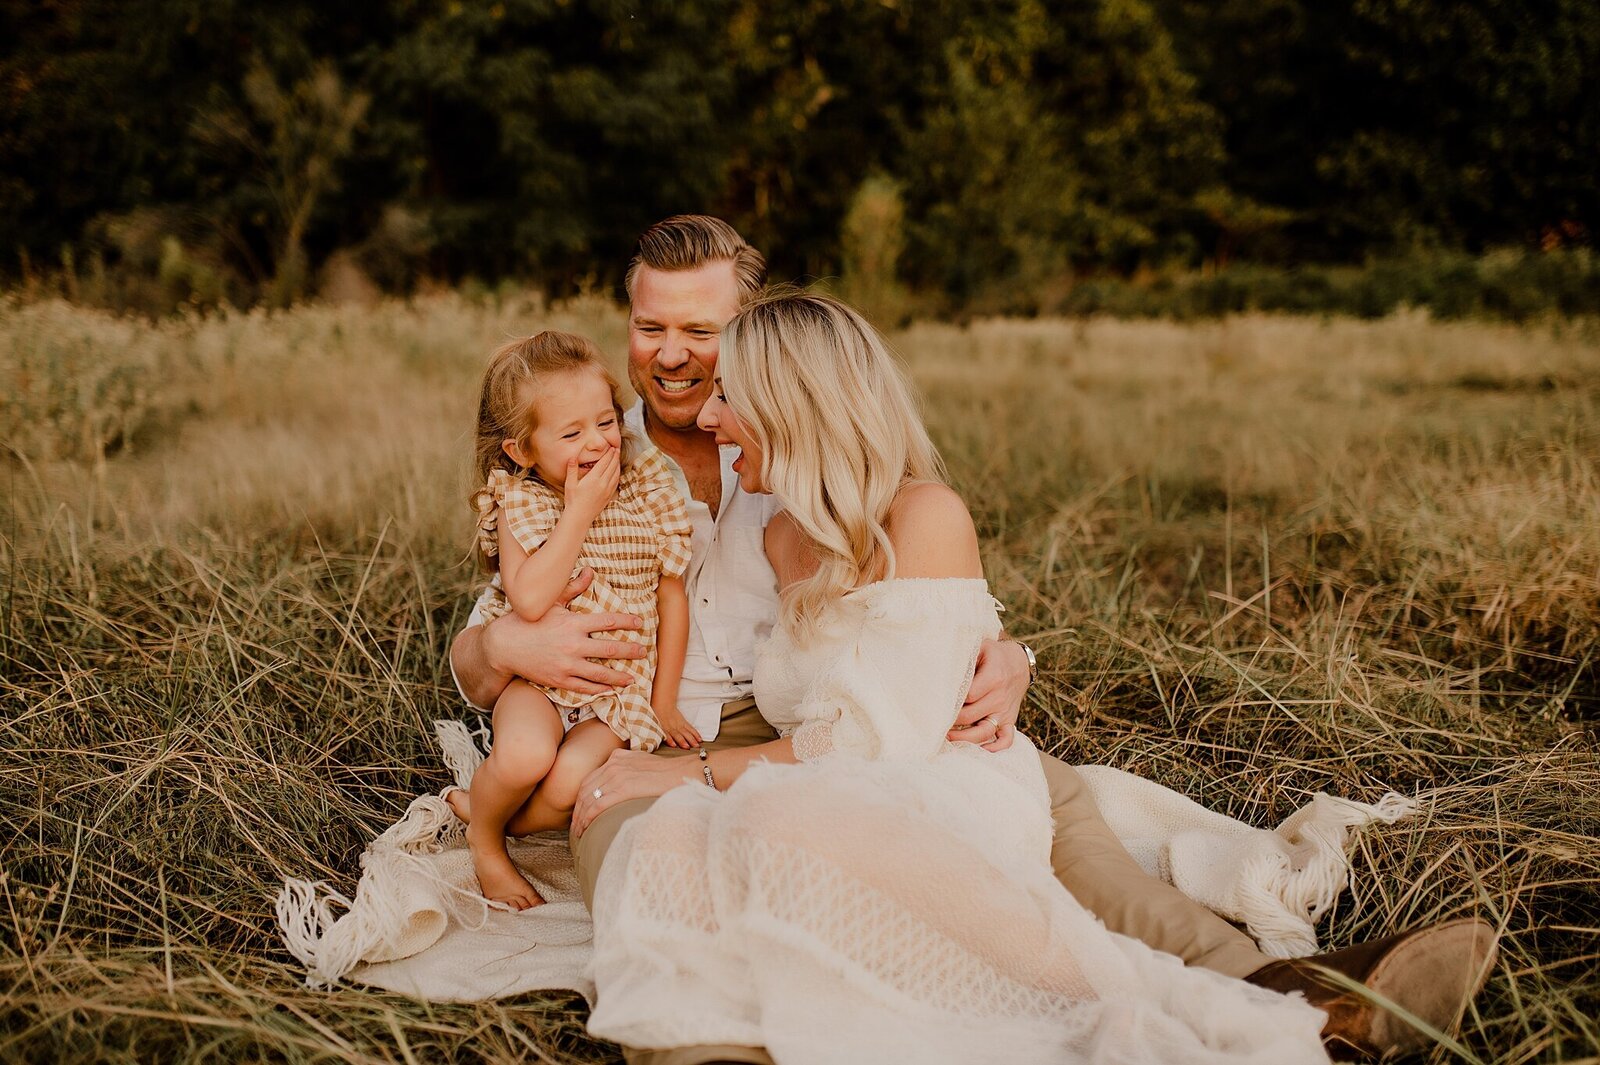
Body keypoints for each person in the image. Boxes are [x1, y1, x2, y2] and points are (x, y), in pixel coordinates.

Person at [450, 216, 1496, 1062]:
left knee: (1056, 826)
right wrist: (501, 657)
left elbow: (912, 607)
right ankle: (710, 1042)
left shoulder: (798, 465)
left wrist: (1004, 657)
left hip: (828, 716)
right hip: (668, 727)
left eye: (704, 334)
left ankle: (1305, 1000)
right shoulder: (583, 443)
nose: (673, 357)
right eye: (648, 326)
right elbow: (487, 628)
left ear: (758, 336)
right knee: (660, 866)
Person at [450, 330, 696, 909]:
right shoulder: (522, 501)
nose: (598, 443)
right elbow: (531, 600)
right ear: (522, 450)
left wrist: (662, 702)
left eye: (606, 422)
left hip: (614, 687)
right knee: (526, 757)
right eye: (571, 433)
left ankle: (494, 813)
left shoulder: (648, 489)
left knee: (568, 785)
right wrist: (581, 509)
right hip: (537, 678)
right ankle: (486, 840)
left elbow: (672, 599)